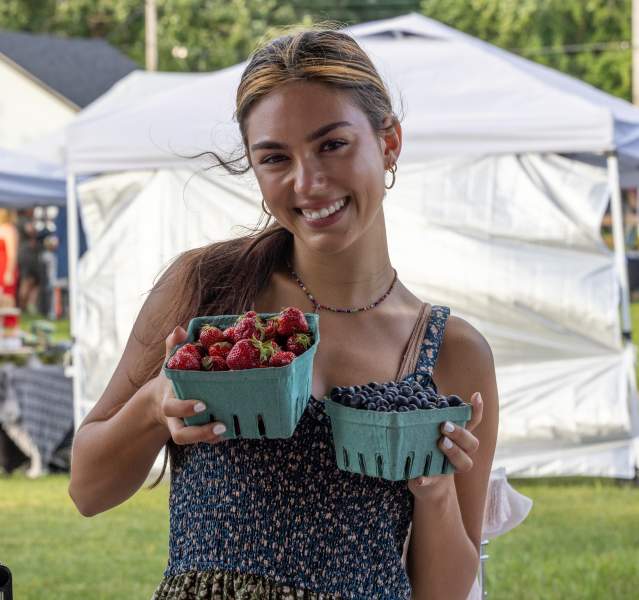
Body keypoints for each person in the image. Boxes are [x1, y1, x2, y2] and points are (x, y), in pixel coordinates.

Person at [68, 28, 499, 600]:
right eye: (275, 157)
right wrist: (155, 404)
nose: (307, 181)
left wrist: (436, 490)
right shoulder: (206, 290)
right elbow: (87, 490)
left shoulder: (453, 353)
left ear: (389, 142)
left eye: (333, 144)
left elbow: (440, 594)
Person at [0, 209, 18, 308]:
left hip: (5, 267)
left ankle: (9, 322)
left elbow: (12, 253)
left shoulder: (9, 230)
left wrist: (9, 271)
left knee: (7, 296)